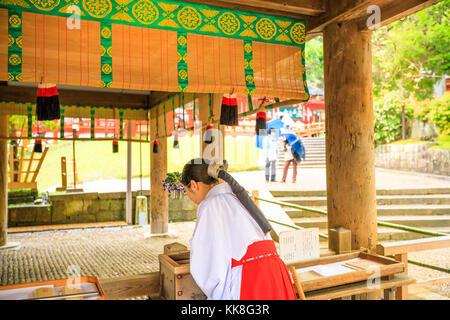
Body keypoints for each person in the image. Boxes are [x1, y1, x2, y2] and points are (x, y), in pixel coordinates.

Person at [181, 158, 297, 300]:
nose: (190, 197)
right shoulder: (237, 198)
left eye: (187, 191)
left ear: (193, 185)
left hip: (251, 279)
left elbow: (208, 260)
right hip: (275, 272)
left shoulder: (210, 205)